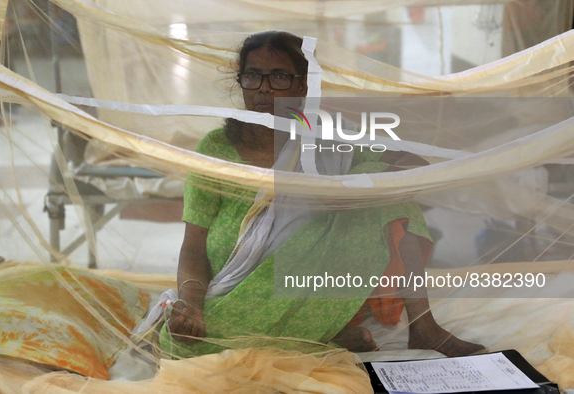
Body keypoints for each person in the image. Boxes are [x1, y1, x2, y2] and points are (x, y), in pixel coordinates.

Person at [159, 30, 485, 357]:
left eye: (280, 76)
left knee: (394, 199)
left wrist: (350, 186)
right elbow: (193, 247)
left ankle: (424, 329)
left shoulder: (327, 139)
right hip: (238, 293)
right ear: (241, 80)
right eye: (253, 75)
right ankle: (321, 339)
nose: (264, 87)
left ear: (303, 85)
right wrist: (191, 303)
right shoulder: (216, 148)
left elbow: (414, 162)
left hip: (305, 286)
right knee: (182, 344)